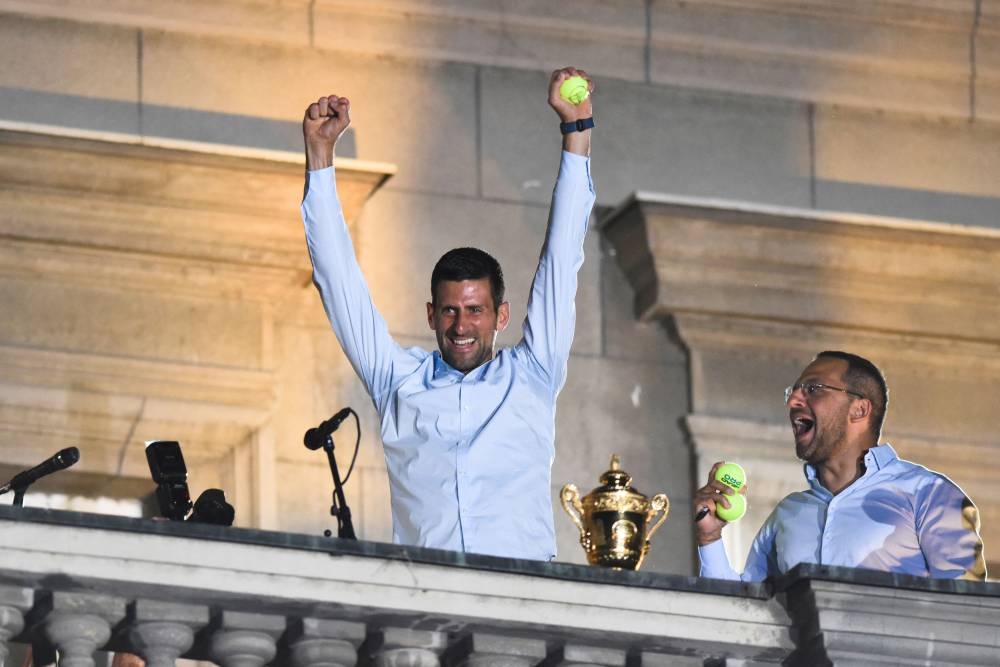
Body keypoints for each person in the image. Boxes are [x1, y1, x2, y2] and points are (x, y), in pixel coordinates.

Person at [300, 67, 596, 560]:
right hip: (425, 601)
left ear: (501, 316)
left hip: (521, 596)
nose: (462, 326)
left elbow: (562, 258)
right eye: (451, 312)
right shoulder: (397, 379)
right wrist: (319, 157)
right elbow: (337, 280)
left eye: (476, 311)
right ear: (431, 315)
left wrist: (577, 135)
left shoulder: (533, 373)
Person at [694, 350, 987, 581]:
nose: (794, 400)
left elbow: (965, 612)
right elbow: (744, 614)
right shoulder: (788, 514)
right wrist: (710, 537)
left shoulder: (929, 494)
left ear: (859, 409)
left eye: (814, 388)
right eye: (793, 391)